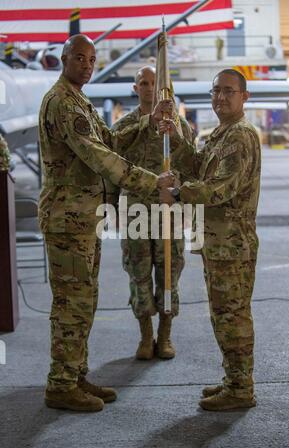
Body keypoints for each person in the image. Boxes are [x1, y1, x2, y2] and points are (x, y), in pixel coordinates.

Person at [38, 34, 174, 412]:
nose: (87, 64)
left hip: (83, 218)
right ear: (65, 58)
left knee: (84, 301)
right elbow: (99, 156)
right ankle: (61, 384)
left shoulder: (80, 101)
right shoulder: (63, 103)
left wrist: (149, 121)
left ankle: (76, 374)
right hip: (68, 219)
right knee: (72, 304)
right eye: (79, 57)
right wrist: (151, 182)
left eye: (92, 59)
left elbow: (111, 138)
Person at [159, 69, 261, 411]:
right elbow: (201, 165)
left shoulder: (241, 136)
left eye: (229, 91)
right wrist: (175, 135)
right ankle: (233, 379)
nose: (220, 97)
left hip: (232, 244)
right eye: (216, 91)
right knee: (223, 314)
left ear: (244, 97)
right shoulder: (222, 133)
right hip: (218, 242)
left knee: (232, 314)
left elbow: (221, 188)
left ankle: (241, 388)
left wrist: (177, 192)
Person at [112, 66, 194, 361]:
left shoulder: (179, 125)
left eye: (155, 83)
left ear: (165, 88)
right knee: (139, 273)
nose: (149, 88)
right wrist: (150, 121)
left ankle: (166, 334)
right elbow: (112, 153)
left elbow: (191, 165)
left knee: (170, 273)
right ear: (135, 89)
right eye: (143, 83)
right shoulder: (125, 126)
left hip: (168, 213)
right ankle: (146, 336)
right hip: (136, 213)